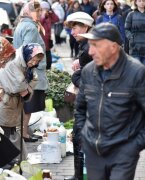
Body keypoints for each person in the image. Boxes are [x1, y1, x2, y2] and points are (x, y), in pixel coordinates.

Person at [75, 22, 145, 180]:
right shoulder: (88, 71)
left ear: (113, 47)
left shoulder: (136, 72)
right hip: (93, 152)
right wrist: (84, 137)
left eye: (96, 45)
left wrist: (133, 146)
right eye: (89, 45)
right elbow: (79, 109)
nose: (90, 51)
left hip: (123, 154)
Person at [0, 43, 45, 159]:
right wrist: (27, 87)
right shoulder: (13, 62)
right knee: (4, 132)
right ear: (27, 55)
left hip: (15, 103)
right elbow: (17, 86)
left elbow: (34, 79)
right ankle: (7, 159)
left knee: (12, 131)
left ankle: (15, 159)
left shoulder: (28, 66)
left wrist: (26, 87)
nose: (34, 63)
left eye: (37, 61)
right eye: (33, 59)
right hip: (6, 102)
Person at [13, 0, 48, 142]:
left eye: (40, 11)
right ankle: (24, 133)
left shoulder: (22, 24)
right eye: (36, 10)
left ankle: (23, 131)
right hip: (31, 71)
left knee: (25, 105)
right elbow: (30, 50)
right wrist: (33, 67)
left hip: (24, 68)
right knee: (28, 105)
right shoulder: (31, 27)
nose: (39, 13)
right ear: (28, 12)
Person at [65, 11, 94, 180]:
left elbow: (89, 78)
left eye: (75, 28)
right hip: (87, 101)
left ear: (85, 27)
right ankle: (79, 175)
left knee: (80, 137)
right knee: (78, 137)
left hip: (90, 102)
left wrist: (75, 75)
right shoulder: (85, 45)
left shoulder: (90, 47)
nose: (72, 32)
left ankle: (80, 176)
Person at [40, 1, 59, 69]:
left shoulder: (49, 16)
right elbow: (39, 23)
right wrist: (43, 16)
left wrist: (52, 13)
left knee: (48, 57)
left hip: (48, 39)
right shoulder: (39, 15)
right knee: (42, 56)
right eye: (44, 8)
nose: (46, 10)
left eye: (47, 9)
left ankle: (48, 67)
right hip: (41, 39)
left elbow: (56, 19)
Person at [125, 0, 145, 64]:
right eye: (140, 1)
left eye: (144, 1)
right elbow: (126, 29)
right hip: (135, 47)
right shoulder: (131, 14)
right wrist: (131, 38)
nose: (142, 2)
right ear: (136, 2)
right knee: (137, 70)